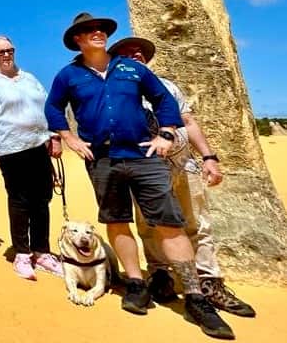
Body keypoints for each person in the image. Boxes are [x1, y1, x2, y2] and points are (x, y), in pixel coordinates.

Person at [45, 12, 234, 339]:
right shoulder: (69, 75)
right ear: (77, 38)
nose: (98, 33)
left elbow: (163, 99)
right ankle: (134, 283)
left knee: (168, 223)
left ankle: (195, 297)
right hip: (102, 158)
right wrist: (70, 139)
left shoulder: (132, 68)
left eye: (101, 29)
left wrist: (167, 134)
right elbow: (52, 108)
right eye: (89, 30)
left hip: (143, 155)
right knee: (116, 220)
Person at [108, 36, 255, 317]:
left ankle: (209, 282)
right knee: (149, 225)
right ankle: (160, 276)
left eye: (139, 51)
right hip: (145, 166)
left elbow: (188, 121)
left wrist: (209, 157)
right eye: (127, 53)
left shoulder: (167, 86)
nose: (135, 54)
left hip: (182, 162)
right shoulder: (118, 91)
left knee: (195, 223)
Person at [0, 35, 63, 280]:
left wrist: (55, 136)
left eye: (9, 50)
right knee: (19, 200)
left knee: (42, 198)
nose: (6, 55)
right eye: (0, 52)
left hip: (38, 145)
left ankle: (42, 251)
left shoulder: (30, 79)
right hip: (12, 149)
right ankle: (22, 253)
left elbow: (48, 107)